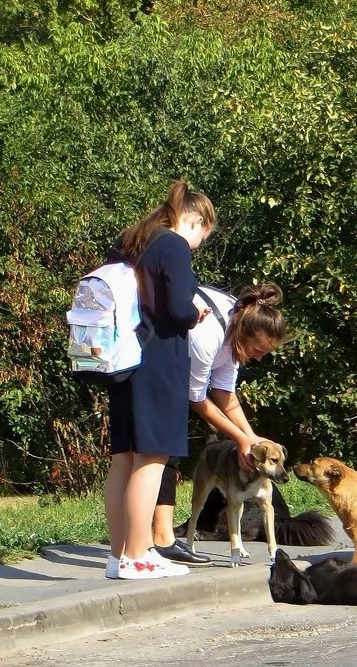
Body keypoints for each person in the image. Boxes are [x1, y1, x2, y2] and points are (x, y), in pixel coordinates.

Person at [103, 181, 215, 580]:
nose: (201, 242)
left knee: (124, 460)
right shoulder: (173, 245)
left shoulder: (132, 240)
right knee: (152, 459)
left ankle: (118, 556)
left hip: (121, 361)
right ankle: (138, 555)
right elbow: (180, 310)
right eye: (205, 233)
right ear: (197, 221)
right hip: (157, 361)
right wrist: (195, 314)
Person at [150, 283, 289, 564]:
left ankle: (159, 538)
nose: (259, 357)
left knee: (169, 456)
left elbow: (225, 393)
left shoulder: (236, 334)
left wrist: (250, 437)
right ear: (244, 333)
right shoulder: (210, 335)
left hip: (176, 376)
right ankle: (155, 540)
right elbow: (198, 398)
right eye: (258, 349)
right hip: (151, 369)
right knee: (160, 456)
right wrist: (239, 440)